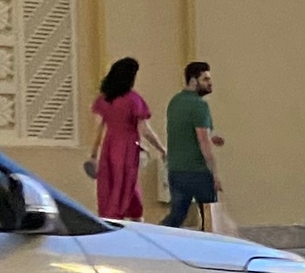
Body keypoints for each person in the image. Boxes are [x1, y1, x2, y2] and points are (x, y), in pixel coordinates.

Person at [85, 58, 158, 220]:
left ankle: (112, 220)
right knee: (128, 186)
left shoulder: (104, 99)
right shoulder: (133, 100)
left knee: (110, 188)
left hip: (109, 148)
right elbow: (144, 129)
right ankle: (137, 223)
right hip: (127, 148)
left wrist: (93, 153)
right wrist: (161, 148)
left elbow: (99, 128)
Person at [161, 59, 223, 228]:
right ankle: (210, 252)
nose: (210, 83)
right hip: (198, 171)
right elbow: (203, 142)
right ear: (194, 80)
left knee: (177, 215)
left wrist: (211, 137)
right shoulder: (199, 105)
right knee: (210, 218)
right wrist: (214, 173)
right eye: (206, 79)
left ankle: (157, 238)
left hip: (176, 170)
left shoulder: (175, 102)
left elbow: (184, 132)